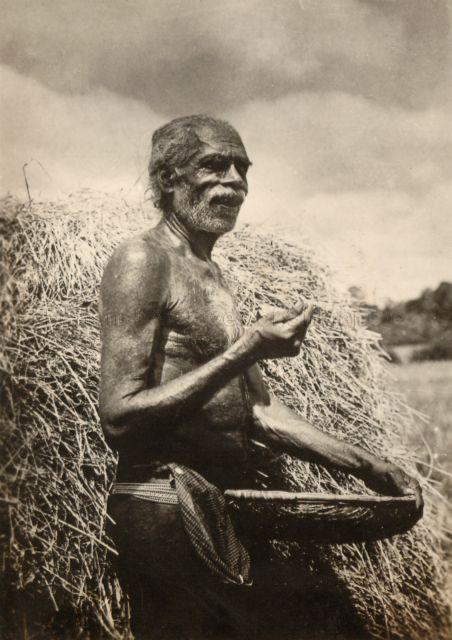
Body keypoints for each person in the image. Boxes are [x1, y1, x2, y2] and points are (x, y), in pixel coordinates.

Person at [99, 115, 422, 640]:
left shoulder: (211, 274)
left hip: (221, 503)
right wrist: (249, 347)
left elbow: (258, 412)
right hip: (162, 503)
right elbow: (119, 416)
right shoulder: (142, 260)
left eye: (242, 169)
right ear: (167, 178)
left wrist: (368, 465)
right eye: (213, 165)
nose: (234, 182)